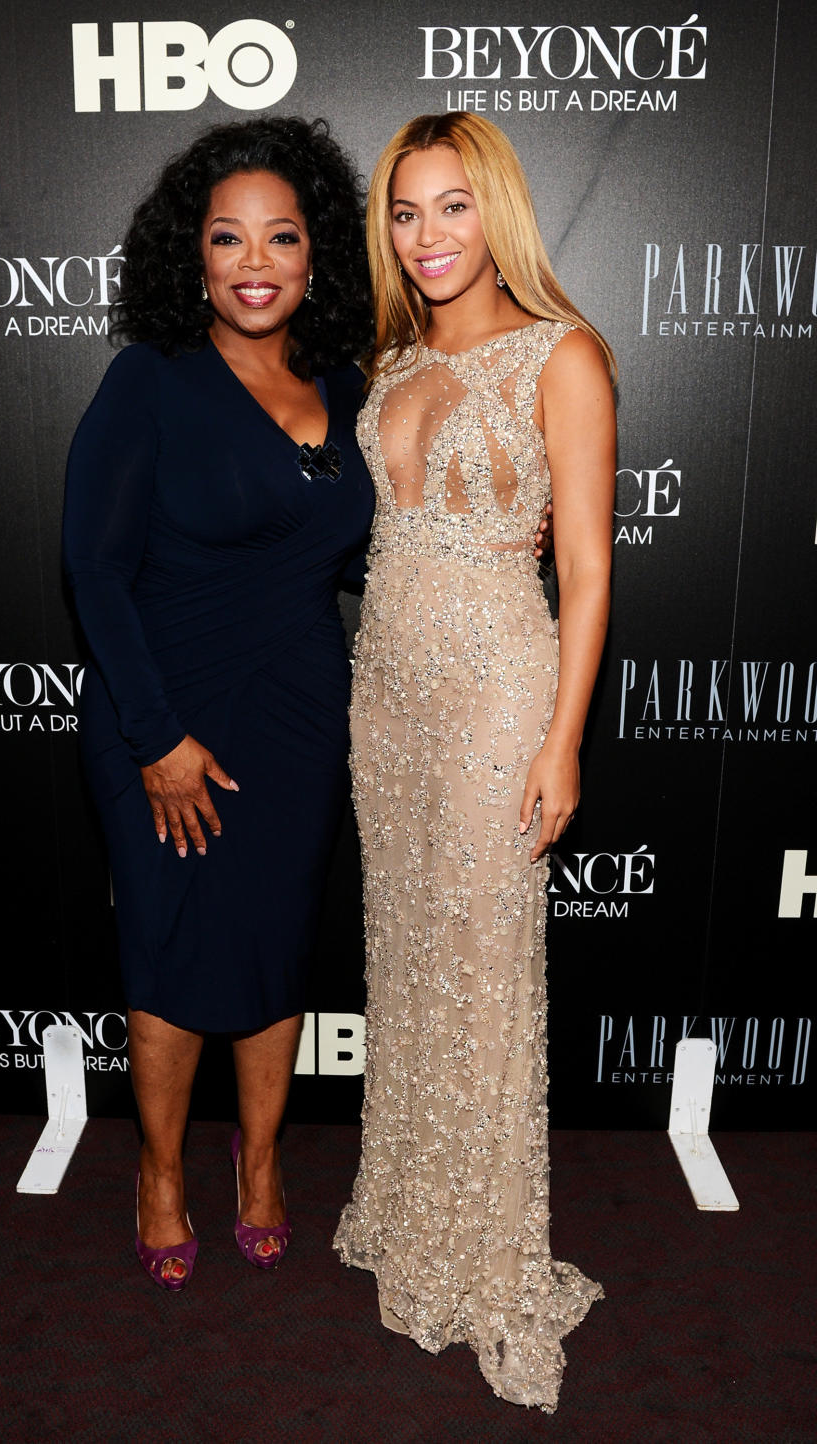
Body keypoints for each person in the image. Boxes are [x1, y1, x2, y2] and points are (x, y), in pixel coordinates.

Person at [333, 113, 616, 1413]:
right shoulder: (390, 358)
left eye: (451, 207)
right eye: (405, 211)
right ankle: (414, 1218)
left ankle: (489, 1255)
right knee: (407, 952)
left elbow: (590, 565)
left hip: (500, 686)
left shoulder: (563, 356)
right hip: (386, 691)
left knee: (485, 964)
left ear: (494, 211)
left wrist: (561, 737)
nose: (427, 236)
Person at [62, 117, 375, 1288]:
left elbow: (357, 552)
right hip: (163, 711)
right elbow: (92, 565)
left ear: (315, 256)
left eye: (281, 237)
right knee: (168, 946)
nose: (255, 261)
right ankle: (157, 1172)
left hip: (297, 712)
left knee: (274, 950)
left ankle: (258, 1165)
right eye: (228, 237)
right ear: (191, 254)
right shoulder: (151, 377)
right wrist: (157, 737)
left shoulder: (346, 386)